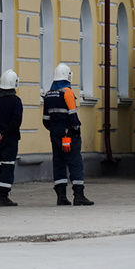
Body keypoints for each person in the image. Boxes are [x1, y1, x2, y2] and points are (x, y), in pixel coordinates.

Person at [42, 63, 93, 206]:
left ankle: (61, 197)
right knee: (75, 162)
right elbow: (73, 116)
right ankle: (79, 195)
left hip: (55, 134)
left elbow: (45, 120)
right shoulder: (67, 92)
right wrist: (76, 129)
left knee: (58, 162)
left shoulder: (48, 94)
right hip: (69, 135)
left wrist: (54, 130)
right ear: (68, 76)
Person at [0, 69, 24, 206]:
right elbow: (16, 122)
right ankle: (3, 196)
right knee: (7, 165)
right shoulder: (15, 101)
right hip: (9, 139)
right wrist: (3, 134)